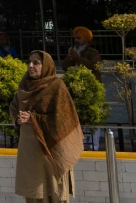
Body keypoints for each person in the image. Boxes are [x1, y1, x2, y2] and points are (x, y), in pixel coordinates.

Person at [11, 50, 83, 203]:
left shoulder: (56, 86)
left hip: (51, 149)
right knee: (34, 191)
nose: (30, 66)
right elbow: (14, 108)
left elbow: (65, 118)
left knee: (54, 191)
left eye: (36, 63)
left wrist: (34, 118)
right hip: (30, 150)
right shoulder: (24, 86)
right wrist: (18, 119)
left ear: (46, 66)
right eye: (29, 62)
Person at [62, 26, 102, 150]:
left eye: (78, 38)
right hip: (77, 90)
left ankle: (94, 146)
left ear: (86, 39)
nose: (76, 40)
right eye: (74, 38)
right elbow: (65, 67)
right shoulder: (74, 52)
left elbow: (92, 66)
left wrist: (77, 57)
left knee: (94, 119)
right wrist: (71, 57)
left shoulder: (93, 53)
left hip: (92, 90)